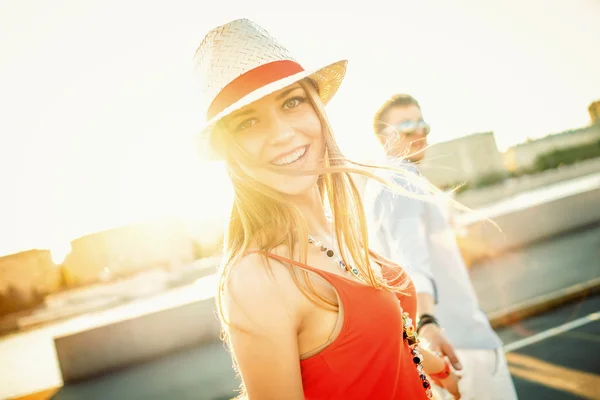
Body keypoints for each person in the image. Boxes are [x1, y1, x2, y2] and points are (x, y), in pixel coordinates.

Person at [193, 19, 461, 400]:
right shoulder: (259, 278)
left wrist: (437, 368)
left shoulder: (335, 231)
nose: (282, 134)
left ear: (318, 109)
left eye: (291, 102)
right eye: (248, 122)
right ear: (229, 152)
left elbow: (385, 337)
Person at [363, 94, 518, 400]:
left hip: (439, 345)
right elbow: (411, 263)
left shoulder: (379, 184)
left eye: (423, 124)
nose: (419, 131)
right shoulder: (401, 182)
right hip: (458, 345)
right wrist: (427, 323)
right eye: (407, 125)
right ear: (384, 137)